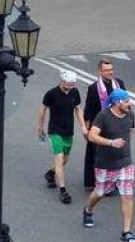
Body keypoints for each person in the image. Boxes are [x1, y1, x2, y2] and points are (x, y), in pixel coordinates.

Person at [82, 88, 135, 242]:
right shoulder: (103, 116)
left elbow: (131, 130)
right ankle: (88, 210)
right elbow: (92, 136)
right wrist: (111, 142)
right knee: (99, 192)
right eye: (126, 101)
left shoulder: (130, 114)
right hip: (105, 164)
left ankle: (126, 231)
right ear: (117, 102)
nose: (129, 103)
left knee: (127, 196)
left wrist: (123, 146)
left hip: (125, 162)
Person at [37, 69, 87, 204]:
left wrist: (83, 125)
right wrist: (40, 127)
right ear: (62, 81)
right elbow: (43, 110)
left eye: (73, 84)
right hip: (55, 131)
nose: (71, 86)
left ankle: (50, 173)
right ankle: (63, 191)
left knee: (65, 160)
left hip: (68, 131)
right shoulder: (51, 94)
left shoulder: (74, 93)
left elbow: (78, 108)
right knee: (59, 159)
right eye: (68, 84)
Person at [83, 59, 126, 190]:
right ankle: (93, 182)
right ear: (100, 72)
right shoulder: (93, 88)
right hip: (98, 125)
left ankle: (113, 182)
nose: (110, 72)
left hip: (115, 124)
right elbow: (88, 110)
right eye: (106, 70)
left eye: (111, 70)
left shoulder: (119, 84)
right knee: (95, 154)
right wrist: (86, 128)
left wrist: (130, 124)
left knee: (115, 154)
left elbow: (125, 103)